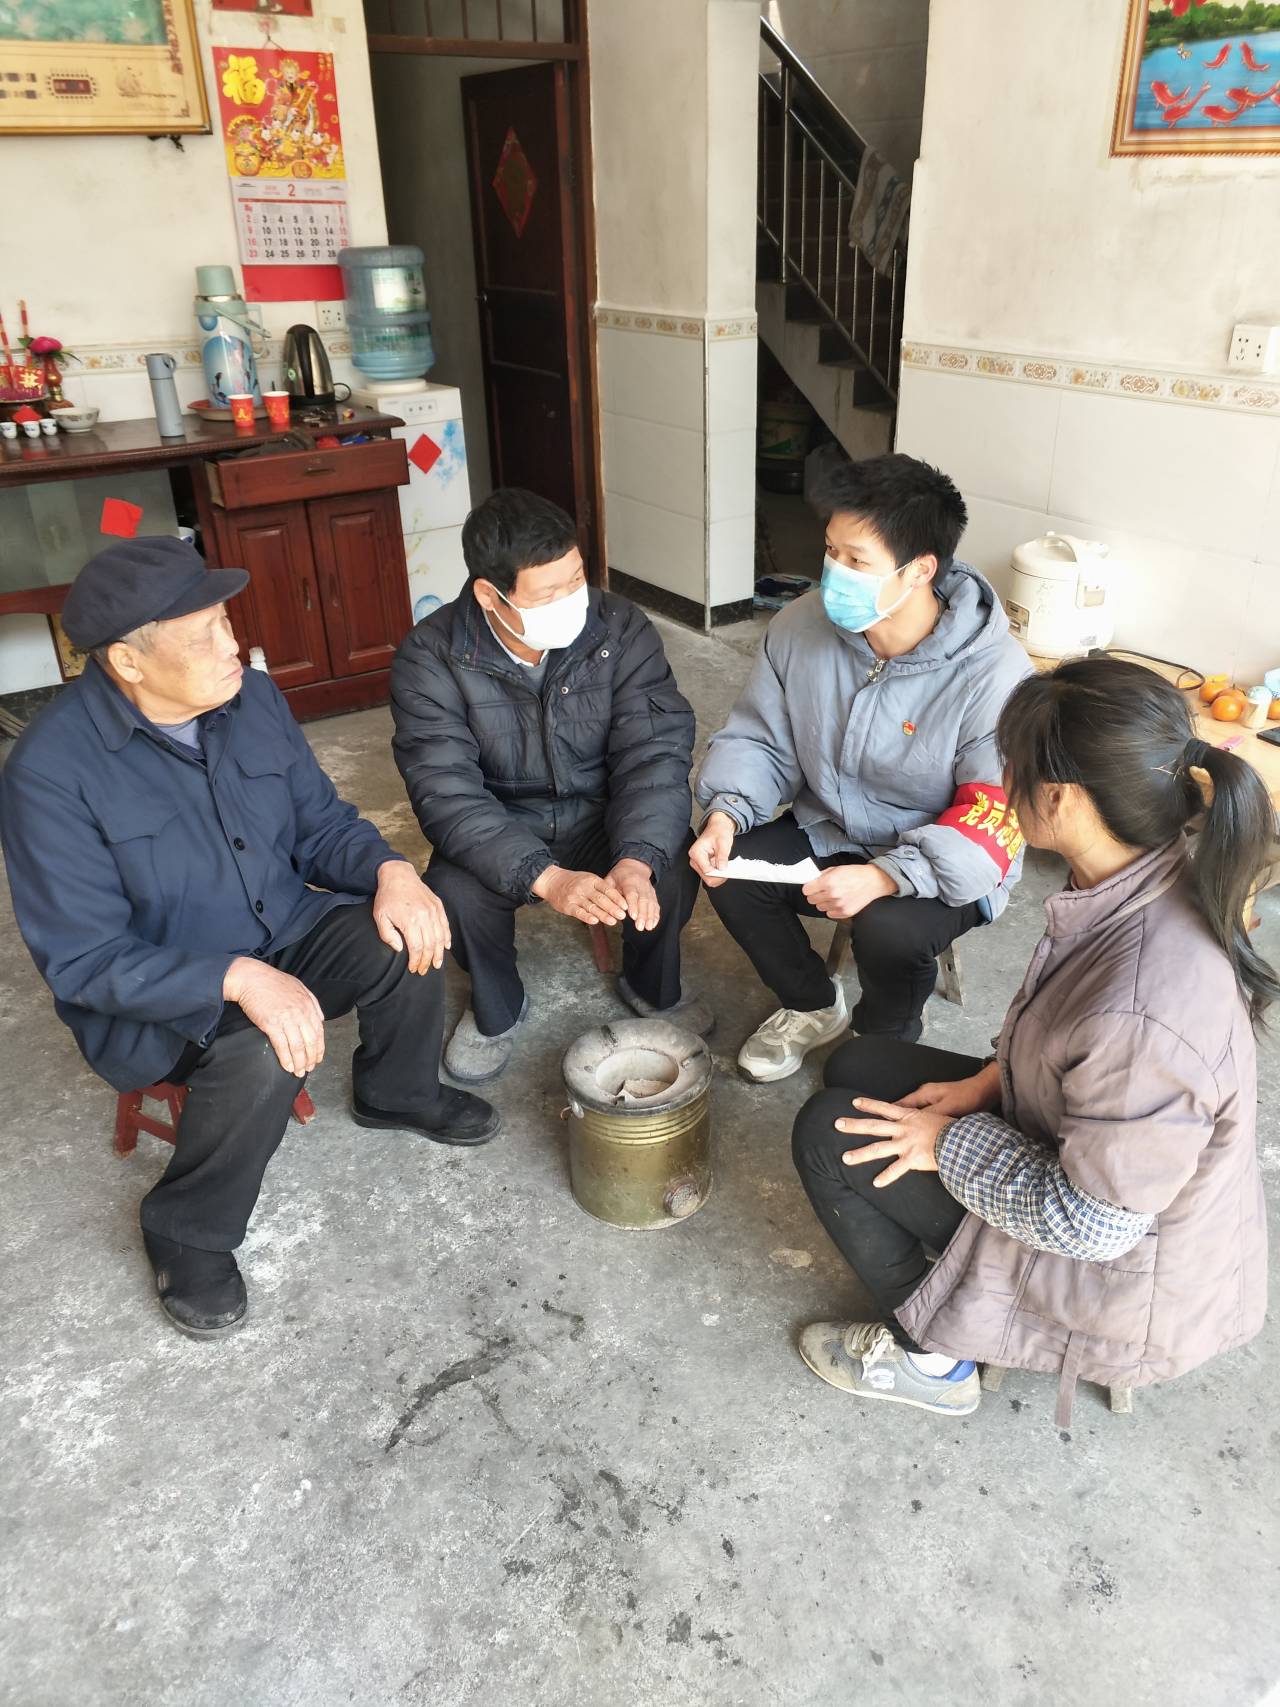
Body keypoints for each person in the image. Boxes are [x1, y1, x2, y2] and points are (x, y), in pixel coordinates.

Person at [0, 538, 497, 1340]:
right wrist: (236, 977)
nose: (232, 645)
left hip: (280, 924)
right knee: (263, 1049)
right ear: (128, 661)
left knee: (407, 926)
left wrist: (392, 870)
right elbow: (85, 961)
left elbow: (320, 825)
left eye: (225, 622)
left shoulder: (251, 698)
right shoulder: (49, 773)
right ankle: (186, 1229)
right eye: (203, 636)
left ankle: (397, 1091)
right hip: (167, 994)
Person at [791, 658, 1276, 1422]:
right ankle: (950, 1267)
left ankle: (934, 1359)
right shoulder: (1142, 872)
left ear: (1060, 797)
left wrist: (946, 1143)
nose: (1000, 782)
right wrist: (986, 1082)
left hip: (1119, 1271)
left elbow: (1093, 1223)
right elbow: (1069, 1045)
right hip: (1099, 1158)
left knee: (826, 1134)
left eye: (1010, 765)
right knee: (857, 1062)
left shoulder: (1144, 1008)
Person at [690, 450, 1032, 1083]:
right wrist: (726, 813)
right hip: (833, 825)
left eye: (856, 560)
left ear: (919, 570)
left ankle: (885, 1037)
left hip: (946, 857)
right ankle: (812, 1004)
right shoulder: (799, 627)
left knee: (889, 929)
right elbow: (762, 738)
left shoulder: (997, 674)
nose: (834, 574)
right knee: (726, 868)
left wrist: (886, 876)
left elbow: (994, 814)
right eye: (830, 551)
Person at [390, 487, 708, 1082]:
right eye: (547, 594)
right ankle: (498, 1007)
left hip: (601, 811)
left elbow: (653, 752)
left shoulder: (619, 627)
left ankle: (651, 984)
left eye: (577, 580)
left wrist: (635, 859)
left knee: (669, 865)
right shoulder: (431, 655)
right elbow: (447, 792)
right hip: (501, 819)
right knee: (455, 892)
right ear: (490, 595)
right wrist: (547, 877)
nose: (572, 602)